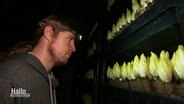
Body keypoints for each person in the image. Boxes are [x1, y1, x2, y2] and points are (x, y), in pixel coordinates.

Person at [0, 14, 77, 104]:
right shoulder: (10, 76)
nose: (73, 48)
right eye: (69, 39)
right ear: (49, 33)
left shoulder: (49, 77)